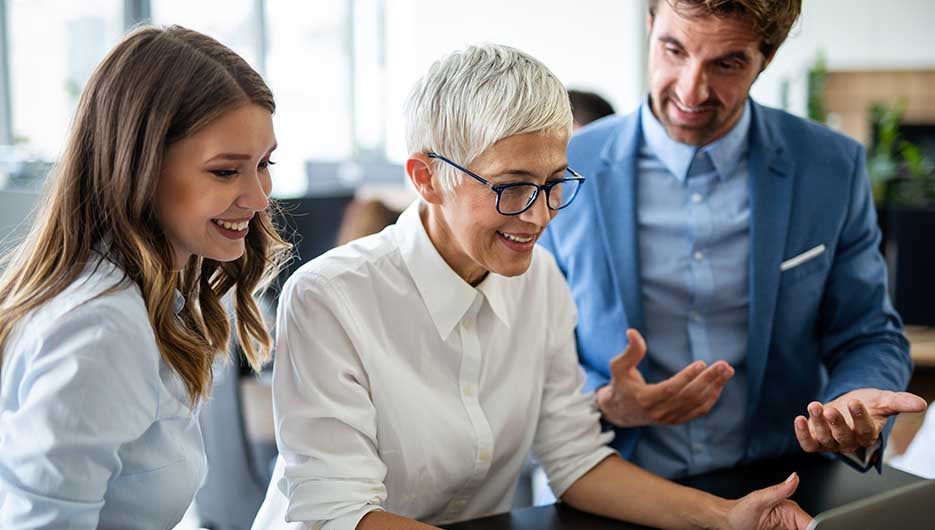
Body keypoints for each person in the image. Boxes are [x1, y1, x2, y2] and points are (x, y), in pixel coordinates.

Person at [252, 43, 811, 530]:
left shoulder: (540, 280)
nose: (540, 215)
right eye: (511, 187)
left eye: (552, 183)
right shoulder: (330, 297)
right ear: (426, 178)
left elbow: (574, 461)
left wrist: (726, 516)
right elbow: (341, 515)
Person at [539, 0, 927, 481]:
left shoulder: (830, 166)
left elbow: (868, 332)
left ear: (766, 56)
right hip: (611, 482)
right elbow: (527, 344)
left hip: (781, 481)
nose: (690, 89)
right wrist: (603, 397)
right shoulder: (561, 166)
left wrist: (854, 403)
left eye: (726, 63)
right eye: (673, 49)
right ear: (650, 25)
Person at [0, 25, 288, 529]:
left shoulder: (145, 299)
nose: (259, 197)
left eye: (264, 164)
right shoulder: (101, 327)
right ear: (140, 166)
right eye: (225, 171)